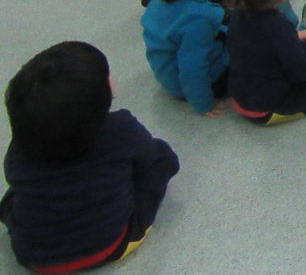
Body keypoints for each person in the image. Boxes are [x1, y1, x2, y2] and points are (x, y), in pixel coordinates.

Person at [1, 42, 180, 272]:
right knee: (163, 157)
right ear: (99, 101)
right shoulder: (121, 129)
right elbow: (149, 155)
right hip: (107, 246)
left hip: (31, 256)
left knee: (18, 195)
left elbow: (13, 175)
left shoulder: (20, 145)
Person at [140, 0, 229, 117]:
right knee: (252, 51)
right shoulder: (198, 18)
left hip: (167, 71)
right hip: (186, 84)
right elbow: (193, 68)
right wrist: (204, 104)